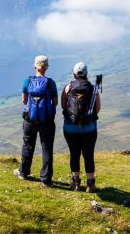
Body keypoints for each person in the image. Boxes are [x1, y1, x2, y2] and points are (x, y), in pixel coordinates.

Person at [14, 55, 58, 187]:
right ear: (47, 67)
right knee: (47, 148)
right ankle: (46, 178)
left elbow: (24, 100)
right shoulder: (51, 83)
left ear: (35, 67)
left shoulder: (28, 81)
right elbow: (55, 102)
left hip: (30, 119)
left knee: (28, 144)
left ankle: (24, 172)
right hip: (47, 121)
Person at [61, 62, 101, 193]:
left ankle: (76, 183)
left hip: (70, 128)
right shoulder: (94, 89)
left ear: (74, 74)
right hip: (88, 129)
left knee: (74, 154)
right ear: (86, 74)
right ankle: (91, 185)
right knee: (88, 155)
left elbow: (63, 107)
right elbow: (97, 109)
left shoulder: (67, 88)